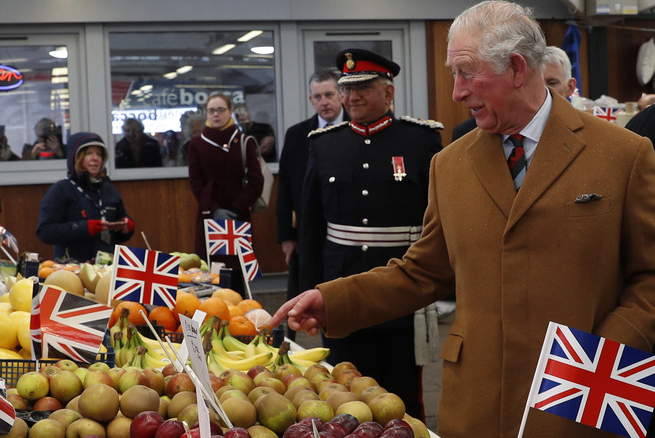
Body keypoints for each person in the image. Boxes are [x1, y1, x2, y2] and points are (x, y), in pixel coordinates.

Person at [268, 2, 655, 437]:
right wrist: (333, 299)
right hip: (474, 406)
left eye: (466, 73)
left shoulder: (623, 154)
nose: (456, 91)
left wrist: (608, 351)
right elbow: (422, 272)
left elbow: (650, 277)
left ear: (516, 68)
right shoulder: (449, 165)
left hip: (582, 399)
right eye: (453, 74)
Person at [298, 49, 443, 420]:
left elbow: (438, 220)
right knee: (342, 392)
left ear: (388, 93)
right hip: (340, 289)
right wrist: (308, 292)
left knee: (402, 397)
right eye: (347, 89)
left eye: (363, 87)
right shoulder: (323, 143)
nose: (352, 97)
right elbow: (312, 228)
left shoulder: (420, 141)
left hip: (401, 292)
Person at [276, 69, 348, 340]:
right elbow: (284, 188)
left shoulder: (355, 128)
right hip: (304, 230)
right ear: (310, 100)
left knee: (338, 296)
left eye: (329, 94)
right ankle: (291, 346)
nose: (324, 101)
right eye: (317, 96)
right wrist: (285, 236)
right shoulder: (297, 135)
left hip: (341, 230)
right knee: (298, 294)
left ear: (341, 96)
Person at [187, 93, 264, 291]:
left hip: (237, 216)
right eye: (211, 110)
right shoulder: (196, 143)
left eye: (221, 110)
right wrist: (215, 210)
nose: (216, 114)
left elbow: (256, 182)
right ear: (206, 113)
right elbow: (196, 183)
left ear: (230, 112)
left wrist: (235, 208)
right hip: (209, 216)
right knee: (211, 275)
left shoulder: (244, 141)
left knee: (238, 274)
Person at [36, 132, 135, 262]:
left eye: (99, 154)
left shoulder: (109, 190)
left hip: (105, 269)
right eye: (89, 153)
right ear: (76, 158)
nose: (95, 158)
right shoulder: (60, 190)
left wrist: (127, 227)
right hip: (71, 270)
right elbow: (45, 231)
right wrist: (84, 228)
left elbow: (119, 228)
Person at [451, 45, 577, 142]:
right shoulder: (465, 134)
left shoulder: (592, 133)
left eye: (552, 83)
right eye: (537, 81)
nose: (543, 89)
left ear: (570, 87)